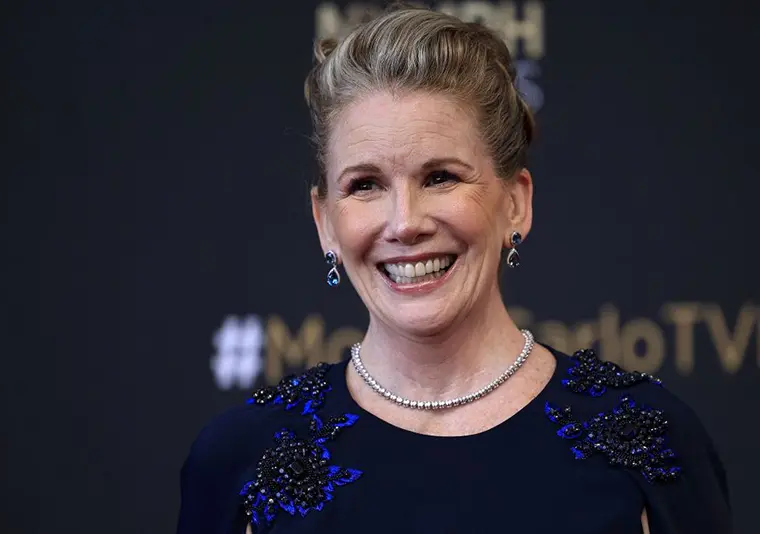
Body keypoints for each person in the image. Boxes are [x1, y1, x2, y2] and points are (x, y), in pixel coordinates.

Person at [176, 5, 731, 533]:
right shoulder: (240, 457)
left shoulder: (653, 442)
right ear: (325, 222)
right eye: (365, 185)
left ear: (516, 202)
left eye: (440, 177)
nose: (404, 223)